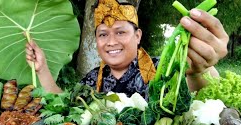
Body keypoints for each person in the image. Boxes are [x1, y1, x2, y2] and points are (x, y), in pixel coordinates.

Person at [25, 0, 229, 98]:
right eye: (103, 34)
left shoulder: (163, 68)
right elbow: (67, 104)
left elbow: (198, 93)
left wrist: (201, 69)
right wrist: (42, 69)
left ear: (137, 36)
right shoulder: (92, 79)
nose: (111, 41)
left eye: (120, 32)